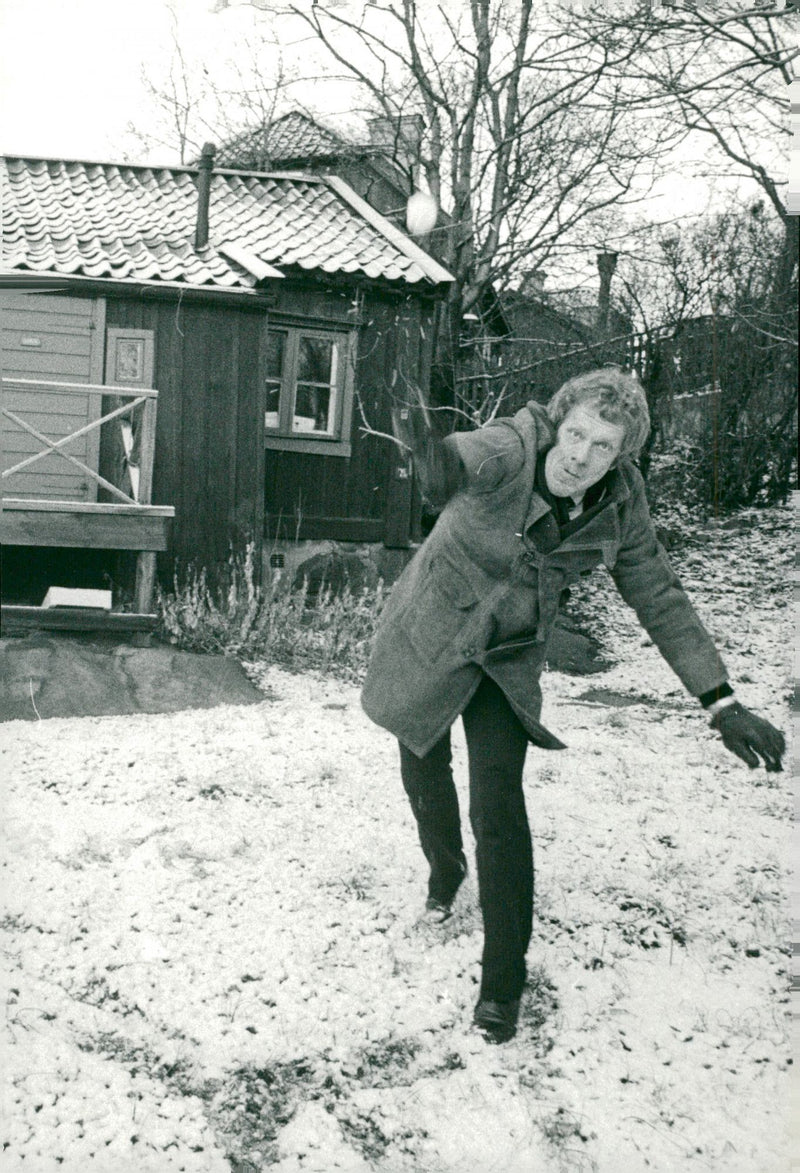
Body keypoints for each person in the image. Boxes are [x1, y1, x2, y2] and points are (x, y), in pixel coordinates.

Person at [361, 367, 785, 1045]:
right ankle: (445, 871)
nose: (580, 455)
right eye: (577, 433)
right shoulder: (511, 446)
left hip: (508, 652)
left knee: (497, 805)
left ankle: (501, 988)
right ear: (558, 423)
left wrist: (720, 700)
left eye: (603, 445)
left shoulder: (621, 504)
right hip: (435, 628)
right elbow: (450, 469)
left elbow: (660, 595)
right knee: (422, 759)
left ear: (623, 458)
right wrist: (422, 442)